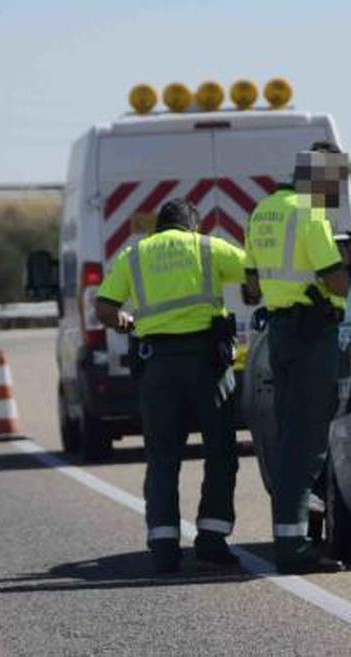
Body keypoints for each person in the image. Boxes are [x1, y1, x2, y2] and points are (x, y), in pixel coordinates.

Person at [95, 198, 245, 574]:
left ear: (158, 227)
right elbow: (255, 271)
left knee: (162, 457)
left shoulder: (134, 255)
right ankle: (211, 539)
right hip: (206, 364)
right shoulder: (208, 246)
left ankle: (163, 546)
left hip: (157, 366)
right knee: (220, 450)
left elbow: (104, 307)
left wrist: (126, 322)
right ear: (192, 225)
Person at [243, 143, 350, 574]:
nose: (336, 191)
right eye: (334, 182)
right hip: (312, 336)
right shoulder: (310, 215)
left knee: (290, 437)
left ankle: (290, 538)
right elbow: (338, 284)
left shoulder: (262, 211)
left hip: (281, 335)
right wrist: (350, 270)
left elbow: (251, 286)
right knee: (307, 442)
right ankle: (293, 547)